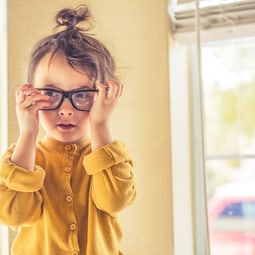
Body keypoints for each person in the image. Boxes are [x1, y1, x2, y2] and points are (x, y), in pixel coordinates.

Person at [0, 5, 136, 255]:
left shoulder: (113, 156)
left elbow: (115, 200)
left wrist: (101, 125)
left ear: (105, 96)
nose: (65, 110)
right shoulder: (21, 158)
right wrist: (28, 133)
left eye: (82, 94)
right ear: (31, 93)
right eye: (51, 93)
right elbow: (13, 215)